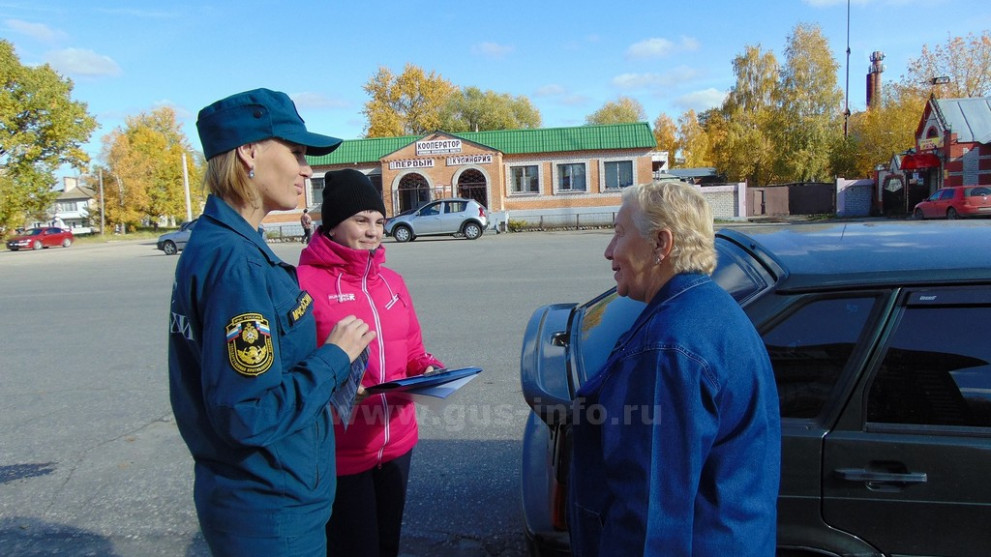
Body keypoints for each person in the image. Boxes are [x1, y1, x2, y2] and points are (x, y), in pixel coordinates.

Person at [168, 88, 376, 557]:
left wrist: (331, 381)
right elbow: (248, 414)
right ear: (249, 152)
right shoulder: (237, 263)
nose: (307, 169)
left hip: (257, 500)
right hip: (269, 511)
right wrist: (334, 357)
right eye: (297, 152)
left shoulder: (223, 244)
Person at [568, 180, 781, 556]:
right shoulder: (710, 308)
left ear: (660, 244)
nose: (609, 251)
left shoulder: (668, 347)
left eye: (619, 233)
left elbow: (650, 523)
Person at [297, 169, 444, 557]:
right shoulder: (301, 284)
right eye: (361, 220)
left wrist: (428, 371)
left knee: (387, 545)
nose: (373, 231)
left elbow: (414, 351)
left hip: (398, 443)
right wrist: (339, 388)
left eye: (379, 221)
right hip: (341, 451)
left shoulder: (392, 282)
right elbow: (293, 372)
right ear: (332, 224)